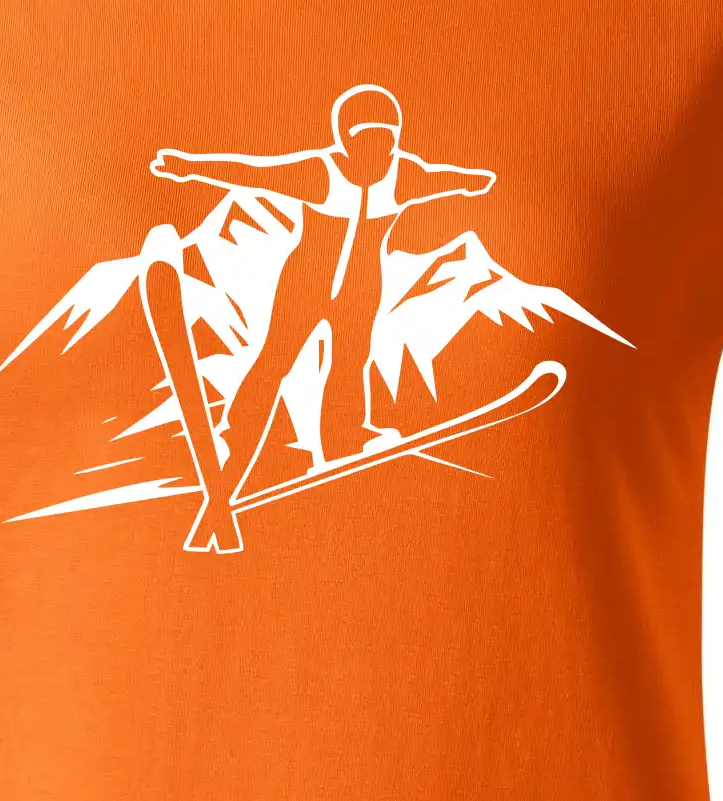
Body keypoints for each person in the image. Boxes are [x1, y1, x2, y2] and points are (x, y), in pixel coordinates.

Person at [149, 85, 495, 550]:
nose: (377, 152)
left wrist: (471, 180)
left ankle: (342, 439)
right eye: (366, 139)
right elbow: (253, 174)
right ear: (346, 140)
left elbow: (441, 178)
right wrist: (189, 167)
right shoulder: (320, 172)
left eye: (385, 140)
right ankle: (242, 425)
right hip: (306, 284)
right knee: (277, 357)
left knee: (351, 363)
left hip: (360, 290)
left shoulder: (403, 176)